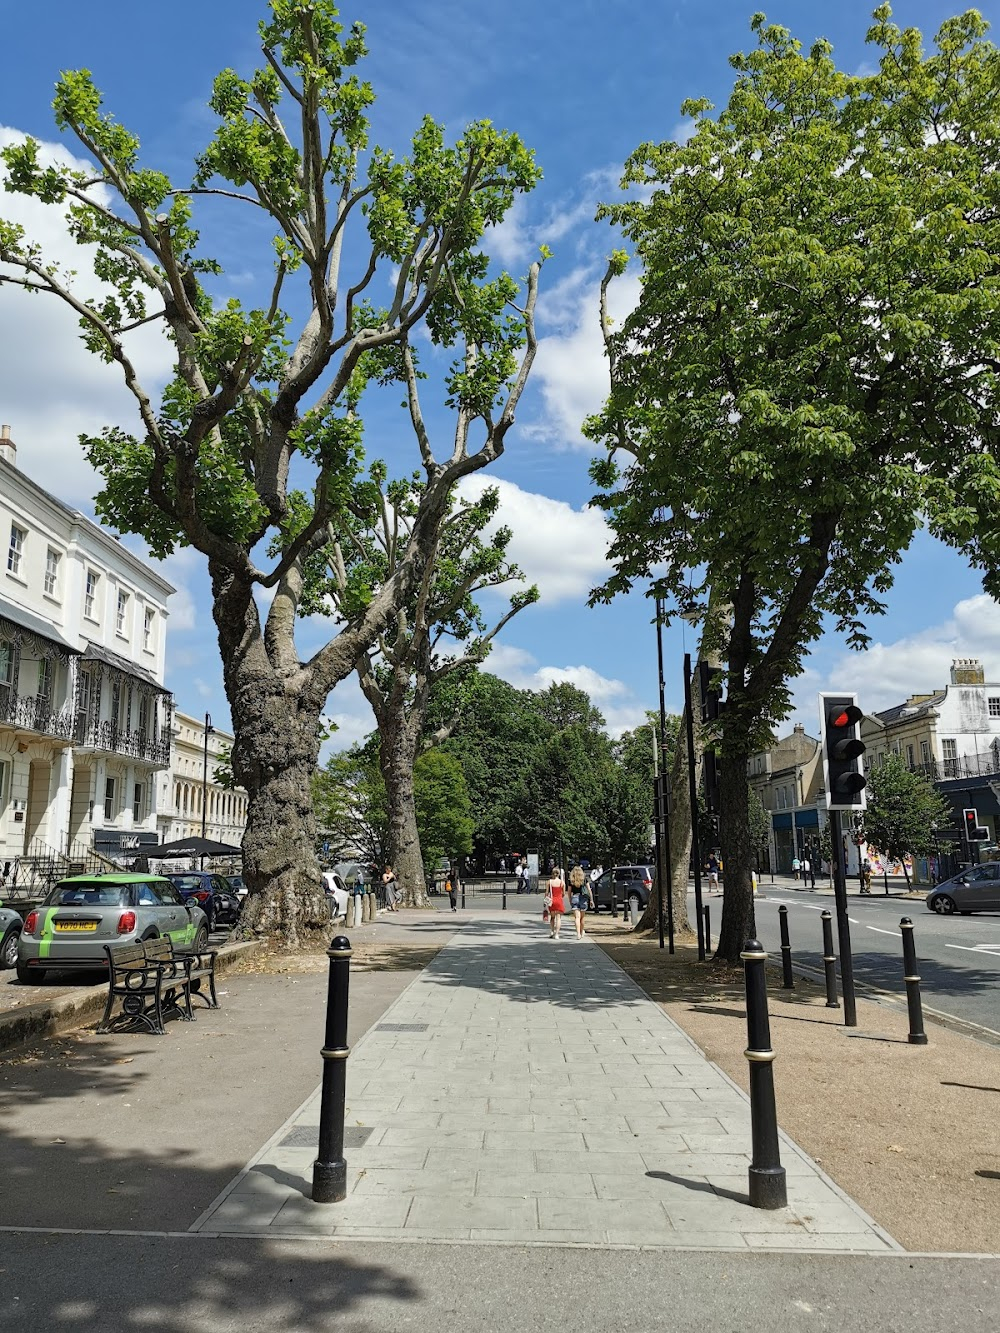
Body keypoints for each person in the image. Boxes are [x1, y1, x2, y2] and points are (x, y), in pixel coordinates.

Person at [569, 863, 593, 940]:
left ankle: (578, 934)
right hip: (583, 898)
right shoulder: (584, 879)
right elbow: (589, 890)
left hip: (575, 897)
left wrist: (570, 900)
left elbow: (569, 892)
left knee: (577, 917)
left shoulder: (571, 880)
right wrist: (591, 900)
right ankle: (581, 932)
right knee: (582, 918)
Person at [545, 865, 566, 939]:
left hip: (552, 900)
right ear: (559, 874)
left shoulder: (549, 882)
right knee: (558, 918)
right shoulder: (562, 883)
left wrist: (545, 901)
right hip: (559, 900)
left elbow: (546, 893)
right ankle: (557, 934)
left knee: (552, 917)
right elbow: (563, 893)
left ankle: (552, 931)